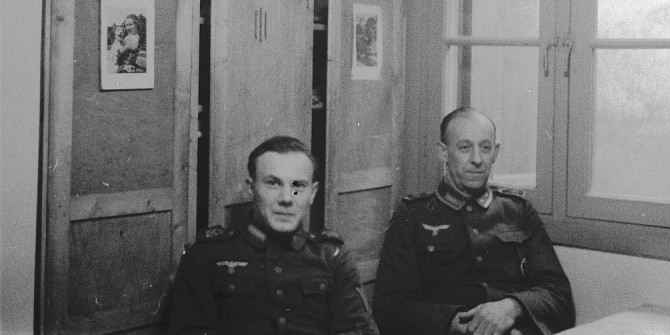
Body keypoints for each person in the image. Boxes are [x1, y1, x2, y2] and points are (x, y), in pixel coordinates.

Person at [372, 107, 575, 335]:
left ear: (495, 153)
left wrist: (511, 308)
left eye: (485, 148)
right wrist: (464, 324)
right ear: (444, 153)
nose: (477, 159)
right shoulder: (412, 215)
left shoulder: (518, 211)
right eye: (465, 148)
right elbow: (391, 308)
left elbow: (559, 296)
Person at [168, 135, 378, 335]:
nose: (286, 198)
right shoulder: (206, 255)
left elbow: (357, 329)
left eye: (298, 185)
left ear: (312, 193)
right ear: (251, 188)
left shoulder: (332, 257)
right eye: (273, 183)